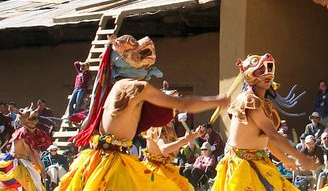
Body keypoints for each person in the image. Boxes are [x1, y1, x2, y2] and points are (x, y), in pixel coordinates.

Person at [55, 34, 229, 190]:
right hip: (113, 165)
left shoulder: (113, 87)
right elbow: (181, 103)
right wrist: (217, 101)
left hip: (98, 160)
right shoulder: (135, 87)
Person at [211, 53, 316, 191]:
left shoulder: (263, 104)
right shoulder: (249, 100)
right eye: (260, 71)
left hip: (259, 162)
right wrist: (301, 158)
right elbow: (273, 135)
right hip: (242, 167)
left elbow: (266, 140)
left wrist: (284, 159)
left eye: (268, 70)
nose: (267, 74)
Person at [143, 103, 205, 191]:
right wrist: (186, 139)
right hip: (154, 170)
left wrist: (194, 135)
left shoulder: (169, 125)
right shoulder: (156, 127)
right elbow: (164, 149)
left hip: (164, 167)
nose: (173, 117)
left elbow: (174, 143)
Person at [0, 104, 51, 190]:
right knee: (33, 182)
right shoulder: (23, 133)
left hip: (22, 161)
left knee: (36, 180)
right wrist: (42, 170)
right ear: (24, 121)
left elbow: (34, 153)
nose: (34, 122)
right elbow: (32, 154)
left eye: (35, 119)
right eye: (31, 119)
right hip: (16, 162)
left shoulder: (30, 132)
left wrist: (42, 169)